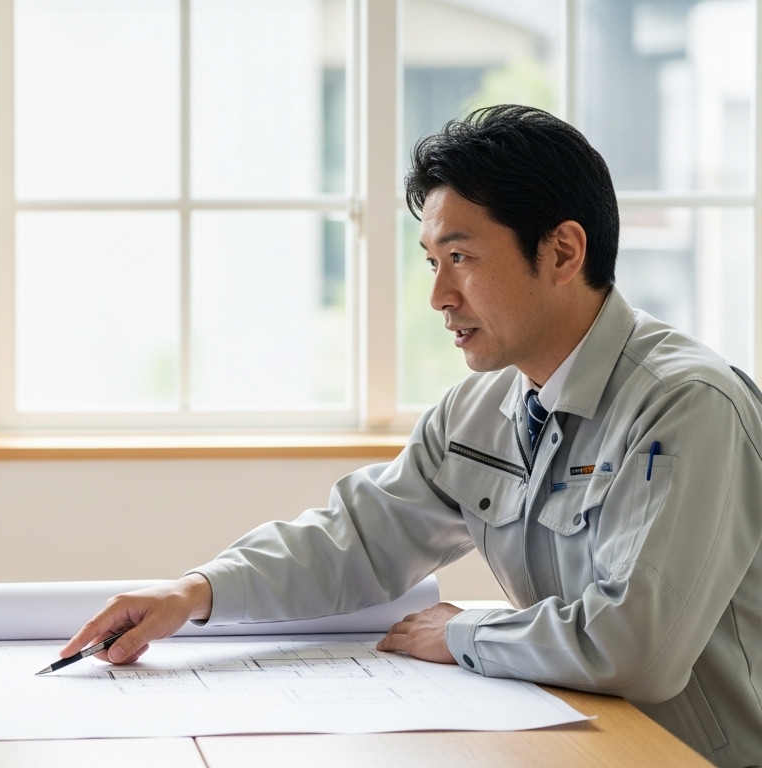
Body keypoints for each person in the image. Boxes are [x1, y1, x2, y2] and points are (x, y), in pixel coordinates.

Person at [61, 105, 762, 767]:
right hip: (580, 743)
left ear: (562, 251)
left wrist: (461, 635)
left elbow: (636, 646)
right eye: (433, 262)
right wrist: (193, 594)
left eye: (461, 258)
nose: (439, 297)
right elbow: (357, 539)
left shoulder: (687, 406)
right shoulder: (480, 409)